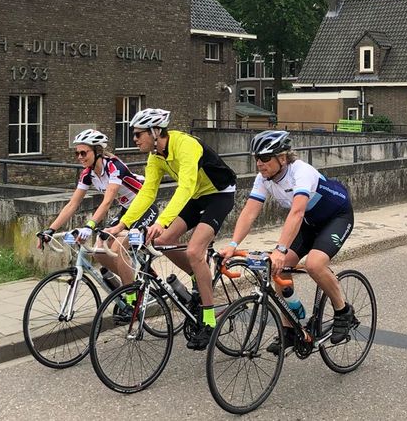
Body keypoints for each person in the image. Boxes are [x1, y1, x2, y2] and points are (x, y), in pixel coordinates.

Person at [104, 108, 238, 350]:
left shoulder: (185, 145)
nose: (134, 139)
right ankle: (200, 278)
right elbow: (147, 192)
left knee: (196, 251)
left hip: (219, 195)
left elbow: (185, 187)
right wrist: (122, 224)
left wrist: (162, 221)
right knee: (162, 242)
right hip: (197, 197)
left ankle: (208, 321)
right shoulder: (156, 156)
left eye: (138, 134)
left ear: (156, 132)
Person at [218, 130, 355, 353]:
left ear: (282, 158)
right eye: (256, 159)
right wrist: (233, 245)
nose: (259, 164)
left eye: (264, 158)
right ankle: (290, 328)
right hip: (309, 223)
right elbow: (250, 212)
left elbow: (297, 212)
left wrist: (280, 249)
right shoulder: (264, 179)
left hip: (336, 217)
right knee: (277, 269)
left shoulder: (301, 172)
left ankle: (343, 311)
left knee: (314, 264)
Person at [38, 130, 158, 318]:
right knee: (99, 251)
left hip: (145, 207)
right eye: (76, 153)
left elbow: (107, 201)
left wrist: (90, 225)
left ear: (97, 152)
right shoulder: (87, 174)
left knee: (119, 248)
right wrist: (50, 229)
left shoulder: (114, 167)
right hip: (127, 210)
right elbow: (73, 203)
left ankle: (132, 299)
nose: (79, 157)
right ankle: (132, 283)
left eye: (83, 153)